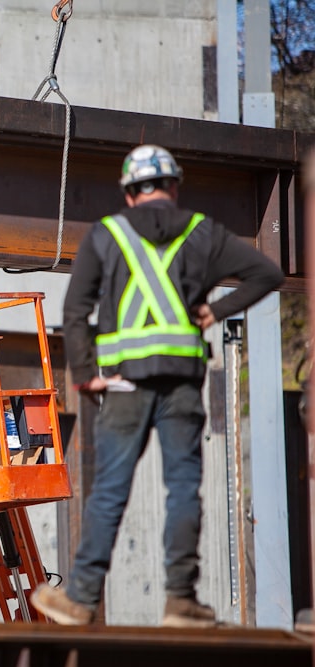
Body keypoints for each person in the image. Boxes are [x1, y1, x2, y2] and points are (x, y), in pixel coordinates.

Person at [30, 144, 285, 627]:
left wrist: (86, 375)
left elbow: (74, 311)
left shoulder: (106, 235)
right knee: (184, 488)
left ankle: (80, 597)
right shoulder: (202, 232)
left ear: (129, 194)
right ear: (173, 187)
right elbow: (266, 273)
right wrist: (216, 310)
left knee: (110, 490)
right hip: (183, 384)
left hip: (124, 384)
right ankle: (180, 601)